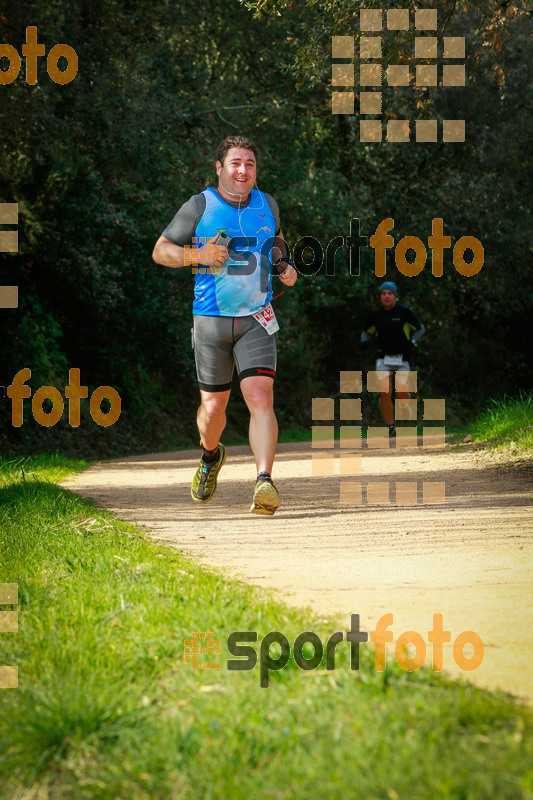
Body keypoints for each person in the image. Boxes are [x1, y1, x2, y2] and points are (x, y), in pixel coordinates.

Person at [152, 135, 297, 514]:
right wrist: (196, 254)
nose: (242, 170)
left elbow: (277, 239)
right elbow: (161, 250)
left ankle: (264, 482)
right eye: (235, 163)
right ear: (219, 168)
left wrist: (283, 264)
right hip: (211, 321)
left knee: (260, 398)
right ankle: (210, 455)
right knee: (214, 409)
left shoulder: (268, 204)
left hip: (256, 321)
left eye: (249, 163)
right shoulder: (200, 205)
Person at [361, 282, 425, 435]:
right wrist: (364, 341)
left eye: (390, 293)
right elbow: (365, 331)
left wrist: (413, 341)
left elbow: (421, 329)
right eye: (384, 293)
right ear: (380, 296)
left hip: (402, 359)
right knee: (384, 393)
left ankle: (408, 408)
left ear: (395, 295)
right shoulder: (375, 315)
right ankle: (391, 426)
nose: (387, 296)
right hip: (383, 359)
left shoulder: (405, 313)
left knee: (401, 394)